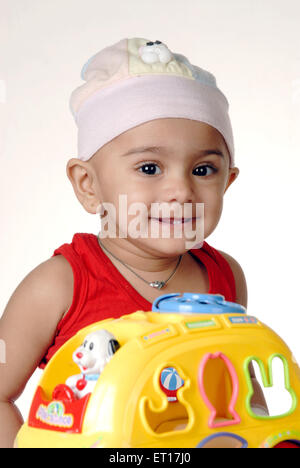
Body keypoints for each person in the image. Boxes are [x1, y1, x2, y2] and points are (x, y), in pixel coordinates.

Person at [0, 37, 267, 448]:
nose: (180, 189)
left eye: (202, 169)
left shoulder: (225, 277)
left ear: (228, 181)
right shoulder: (58, 285)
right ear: (88, 185)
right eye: (149, 167)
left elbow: (239, 392)